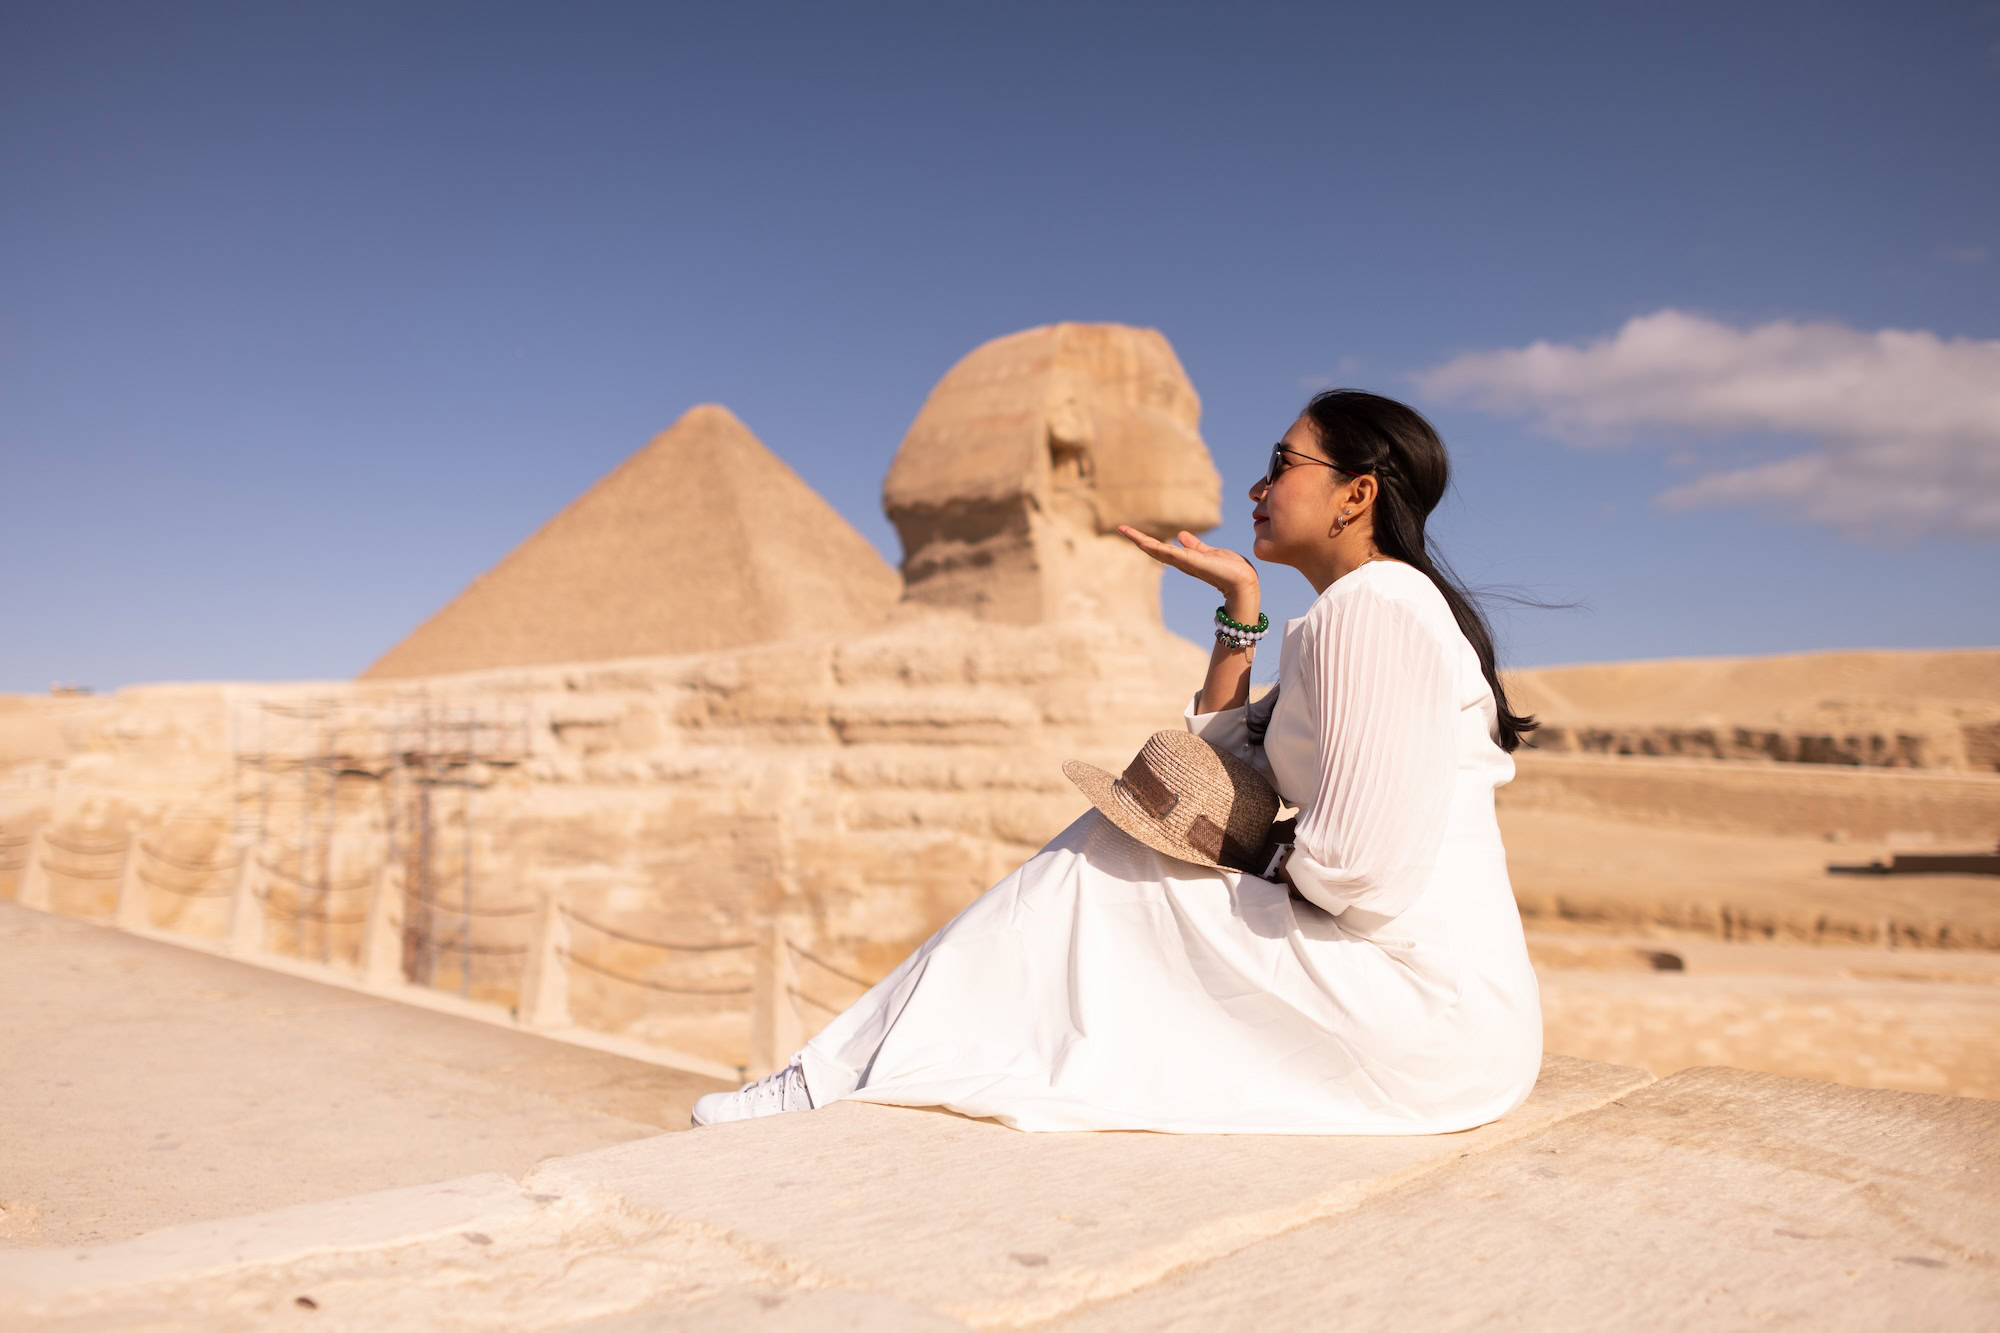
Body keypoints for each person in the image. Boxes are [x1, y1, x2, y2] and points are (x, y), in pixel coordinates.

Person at [692, 389, 1544, 1133]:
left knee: (1109, 857)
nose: (1254, 484)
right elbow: (1215, 769)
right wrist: (1238, 609)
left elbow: (1357, 869)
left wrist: (1240, 859)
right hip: (1429, 1006)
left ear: (1355, 494)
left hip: (1424, 1011)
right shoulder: (1354, 615)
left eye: (1281, 461)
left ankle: (830, 1076)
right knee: (1117, 852)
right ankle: (844, 1069)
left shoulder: (1378, 608)